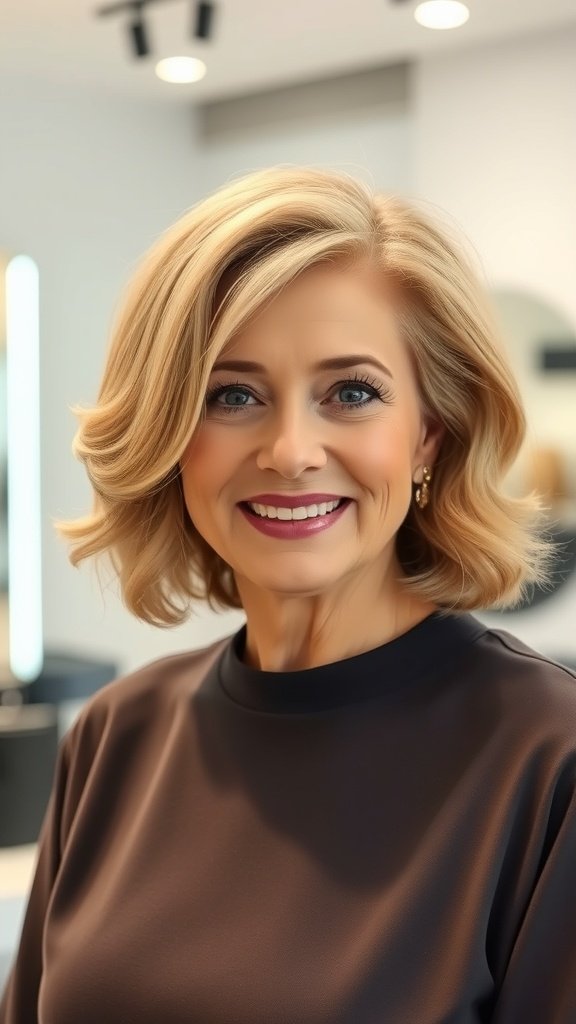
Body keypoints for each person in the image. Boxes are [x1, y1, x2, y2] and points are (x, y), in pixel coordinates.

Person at [1, 165, 575, 1024]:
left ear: (428, 433)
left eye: (352, 393)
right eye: (233, 395)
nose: (290, 449)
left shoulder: (545, 755)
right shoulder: (116, 734)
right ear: (171, 436)